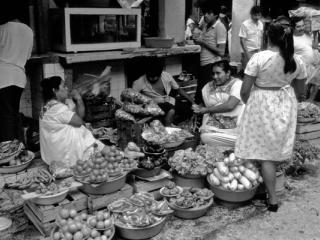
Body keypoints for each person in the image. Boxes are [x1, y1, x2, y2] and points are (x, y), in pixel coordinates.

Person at [235, 18, 307, 212]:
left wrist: (253, 104)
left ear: (267, 36)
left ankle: (272, 199)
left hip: (261, 104)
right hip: (285, 102)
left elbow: (244, 91)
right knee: (272, 151)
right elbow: (301, 91)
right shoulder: (296, 60)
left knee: (264, 153)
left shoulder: (258, 58)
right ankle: (265, 187)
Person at [39, 76, 106, 169]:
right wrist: (79, 98)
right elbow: (79, 121)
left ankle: (104, 150)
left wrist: (78, 100)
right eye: (64, 86)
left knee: (83, 131)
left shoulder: (46, 106)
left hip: (50, 155)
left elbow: (79, 117)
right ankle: (105, 152)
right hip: (61, 158)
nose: (67, 88)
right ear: (55, 90)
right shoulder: (58, 108)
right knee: (82, 131)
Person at [0, 2, 33, 142]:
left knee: (5, 115)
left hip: (3, 77)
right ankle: (18, 146)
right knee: (14, 113)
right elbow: (27, 56)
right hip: (19, 77)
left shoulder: (2, 29)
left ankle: (8, 150)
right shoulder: (29, 31)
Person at [192, 60, 244, 147]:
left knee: (242, 139)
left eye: (218, 73)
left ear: (228, 73)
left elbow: (230, 105)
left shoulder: (237, 84)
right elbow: (204, 104)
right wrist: (198, 108)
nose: (215, 76)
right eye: (213, 73)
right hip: (213, 127)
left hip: (235, 127)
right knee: (205, 137)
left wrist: (206, 110)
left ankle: (240, 142)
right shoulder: (208, 87)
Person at [132, 58, 194, 126]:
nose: (152, 79)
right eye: (150, 77)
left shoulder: (166, 76)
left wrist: (193, 102)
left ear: (160, 73)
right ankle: (167, 130)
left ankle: (174, 123)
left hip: (169, 100)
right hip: (153, 106)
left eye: (155, 77)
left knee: (190, 109)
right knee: (171, 110)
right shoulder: (139, 82)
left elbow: (179, 90)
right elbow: (132, 98)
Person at [193, 3, 227, 105]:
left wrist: (203, 43)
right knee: (201, 94)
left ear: (215, 14)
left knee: (206, 96)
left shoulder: (220, 27)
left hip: (211, 65)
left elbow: (221, 51)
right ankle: (200, 117)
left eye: (209, 13)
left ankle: (205, 117)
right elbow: (205, 43)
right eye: (204, 13)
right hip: (203, 64)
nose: (205, 15)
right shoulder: (206, 26)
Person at [291, 16, 320, 100]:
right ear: (293, 27)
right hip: (300, 72)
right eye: (298, 26)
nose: (302, 28)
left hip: (311, 68)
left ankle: (308, 106)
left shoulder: (307, 35)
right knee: (300, 94)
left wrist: (315, 33)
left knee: (312, 91)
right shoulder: (291, 39)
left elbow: (314, 46)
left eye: (302, 25)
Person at [239, 6, 264, 70]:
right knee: (248, 70)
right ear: (251, 14)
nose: (257, 17)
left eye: (259, 15)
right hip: (248, 52)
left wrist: (261, 50)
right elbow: (242, 40)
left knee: (256, 71)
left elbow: (261, 38)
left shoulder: (261, 24)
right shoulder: (245, 24)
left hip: (258, 52)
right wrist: (247, 54)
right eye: (255, 15)